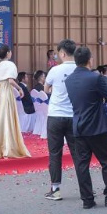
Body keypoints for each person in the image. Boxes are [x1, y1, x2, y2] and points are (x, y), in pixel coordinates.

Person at [65, 46, 107, 209]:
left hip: (78, 125)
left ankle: (87, 199)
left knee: (82, 164)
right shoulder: (95, 78)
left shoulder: (69, 79)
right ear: (90, 60)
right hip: (96, 126)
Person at [44, 39, 79, 201]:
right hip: (74, 116)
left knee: (55, 153)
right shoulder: (80, 69)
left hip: (56, 115)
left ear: (63, 53)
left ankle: (55, 189)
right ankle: (85, 187)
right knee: (78, 153)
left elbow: (46, 89)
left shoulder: (55, 70)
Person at [0, 45, 30, 159]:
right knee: (9, 119)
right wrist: (20, 88)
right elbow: (11, 80)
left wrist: (2, 86)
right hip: (7, 93)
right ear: (8, 53)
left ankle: (1, 148)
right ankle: (9, 147)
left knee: (1, 119)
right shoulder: (10, 64)